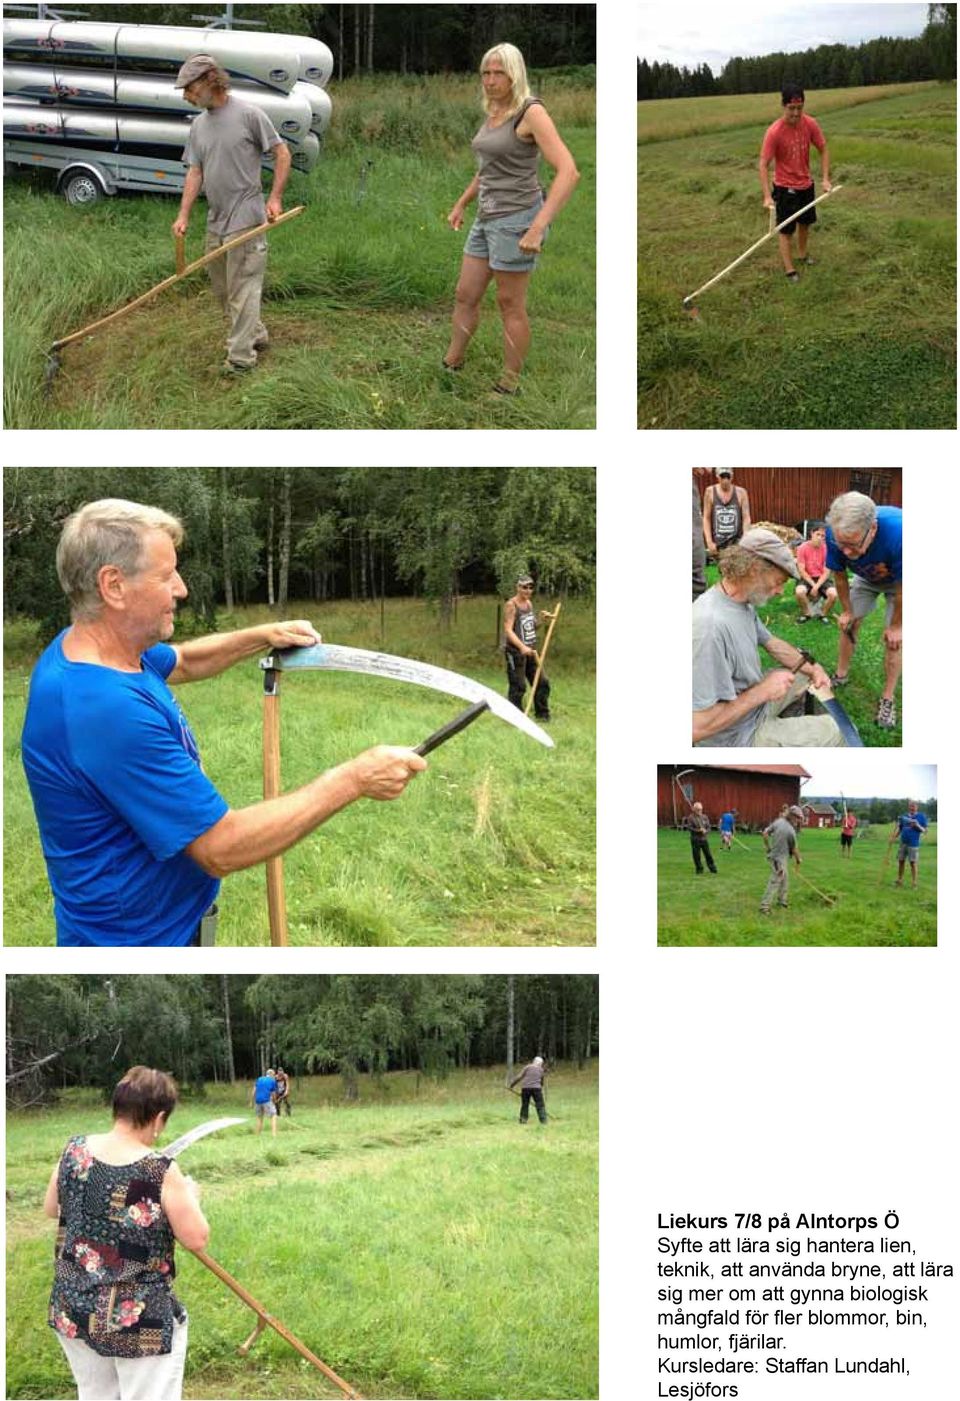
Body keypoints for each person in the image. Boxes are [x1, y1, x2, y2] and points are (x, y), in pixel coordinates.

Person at [21, 500, 427, 946]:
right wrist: (354, 778)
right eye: (166, 575)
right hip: (139, 946)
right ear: (113, 586)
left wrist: (261, 636)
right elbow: (221, 847)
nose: (182, 588)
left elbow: (186, 660)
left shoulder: (98, 652)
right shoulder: (103, 710)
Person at [44, 1066, 209, 1401]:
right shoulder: (159, 1170)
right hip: (135, 1317)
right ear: (159, 1118)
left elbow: (52, 1207)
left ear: (117, 1108)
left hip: (73, 1303)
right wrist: (190, 1196)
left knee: (96, 1394)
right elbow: (196, 1238)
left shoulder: (73, 1152)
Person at [444, 42, 579, 395]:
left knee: (509, 303)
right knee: (465, 293)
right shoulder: (494, 112)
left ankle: (509, 382)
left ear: (514, 73)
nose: (489, 80)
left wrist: (538, 227)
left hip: (517, 219)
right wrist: (462, 203)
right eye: (485, 73)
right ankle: (452, 362)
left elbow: (568, 172)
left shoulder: (530, 112)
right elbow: (488, 169)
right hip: (486, 217)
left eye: (498, 73)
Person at [171, 55, 292, 374]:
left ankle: (240, 360)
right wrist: (184, 215)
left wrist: (276, 198)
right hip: (216, 221)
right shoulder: (198, 126)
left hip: (247, 219)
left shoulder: (249, 115)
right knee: (224, 291)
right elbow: (194, 172)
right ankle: (255, 334)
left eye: (189, 88)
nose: (186, 95)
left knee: (243, 289)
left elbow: (281, 153)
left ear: (210, 80)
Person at [692, 527, 844, 747]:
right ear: (754, 569)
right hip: (737, 736)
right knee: (837, 731)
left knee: (804, 676)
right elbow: (697, 727)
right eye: (779, 581)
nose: (781, 591)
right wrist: (763, 691)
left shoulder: (740, 602)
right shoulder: (709, 627)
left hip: (752, 707)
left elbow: (771, 643)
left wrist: (814, 668)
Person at [825, 492, 902, 730]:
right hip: (866, 578)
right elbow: (840, 577)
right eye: (841, 544)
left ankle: (887, 698)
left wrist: (897, 627)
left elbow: (904, 591)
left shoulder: (902, 534)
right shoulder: (834, 531)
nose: (846, 552)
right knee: (849, 624)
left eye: (853, 544)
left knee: (895, 641)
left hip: (900, 583)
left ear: (873, 529)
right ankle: (841, 673)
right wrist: (848, 612)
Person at [759, 83, 831, 281]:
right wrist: (767, 196)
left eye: (800, 108)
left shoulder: (810, 124)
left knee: (805, 223)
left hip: (806, 184)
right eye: (791, 108)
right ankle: (789, 269)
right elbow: (763, 164)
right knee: (786, 230)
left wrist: (825, 179)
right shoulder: (774, 132)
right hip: (785, 188)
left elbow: (824, 149)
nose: (796, 113)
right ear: (783, 106)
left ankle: (802, 255)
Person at [503, 574, 550, 719]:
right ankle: (515, 718)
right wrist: (522, 647)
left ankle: (542, 715)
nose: (528, 590)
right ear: (518, 587)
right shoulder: (511, 605)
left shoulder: (528, 604)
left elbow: (530, 627)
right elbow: (508, 630)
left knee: (542, 682)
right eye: (524, 587)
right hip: (515, 651)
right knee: (518, 686)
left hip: (531, 650)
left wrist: (541, 620)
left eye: (530, 587)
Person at [760, 804, 804, 913]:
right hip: (778, 860)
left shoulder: (778, 821)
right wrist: (798, 859)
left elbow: (765, 833)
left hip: (778, 857)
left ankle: (782, 901)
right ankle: (764, 907)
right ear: (792, 816)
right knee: (775, 881)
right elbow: (794, 849)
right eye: (798, 818)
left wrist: (767, 847)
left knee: (785, 879)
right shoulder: (790, 831)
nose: (798, 821)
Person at [794, 522, 837, 624]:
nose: (820, 538)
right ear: (812, 533)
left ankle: (823, 614)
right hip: (807, 577)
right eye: (818, 534)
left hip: (822, 578)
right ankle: (807, 614)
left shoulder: (827, 549)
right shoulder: (802, 548)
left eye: (823, 536)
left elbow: (827, 572)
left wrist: (816, 587)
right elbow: (801, 570)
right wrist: (813, 585)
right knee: (799, 591)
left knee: (833, 594)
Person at [702, 470, 751, 555]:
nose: (726, 480)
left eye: (728, 477)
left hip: (736, 542)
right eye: (723, 477)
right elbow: (706, 518)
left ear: (732, 476)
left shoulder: (741, 492)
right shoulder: (710, 491)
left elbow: (746, 517)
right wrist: (709, 542)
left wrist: (746, 538)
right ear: (717, 477)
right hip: (718, 543)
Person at [893, 801, 928, 889]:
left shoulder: (921, 816)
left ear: (917, 807)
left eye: (913, 806)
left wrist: (916, 825)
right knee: (901, 861)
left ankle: (914, 883)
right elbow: (900, 828)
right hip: (903, 842)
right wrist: (894, 837)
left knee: (913, 863)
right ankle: (899, 880)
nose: (912, 808)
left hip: (913, 843)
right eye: (910, 806)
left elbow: (925, 831)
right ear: (908, 807)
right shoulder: (904, 816)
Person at [509, 1055, 548, 1124]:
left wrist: (512, 1085)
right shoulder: (541, 1070)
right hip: (537, 1089)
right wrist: (540, 1086)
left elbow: (519, 1077)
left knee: (525, 1104)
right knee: (540, 1105)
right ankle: (543, 1120)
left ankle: (523, 1120)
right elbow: (542, 1082)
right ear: (540, 1063)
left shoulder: (527, 1067)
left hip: (525, 1088)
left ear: (534, 1061)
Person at [684, 802, 718, 875]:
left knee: (708, 854)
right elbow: (689, 828)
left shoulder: (704, 817)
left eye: (701, 809)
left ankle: (712, 868)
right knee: (697, 855)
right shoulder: (691, 818)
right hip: (695, 839)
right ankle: (699, 869)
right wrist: (698, 830)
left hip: (704, 839)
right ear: (694, 809)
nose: (700, 811)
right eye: (698, 810)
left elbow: (709, 827)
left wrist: (706, 831)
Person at [252, 1069, 279, 1136]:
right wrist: (275, 1101)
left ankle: (258, 1134)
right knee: (273, 1115)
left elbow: (254, 1091)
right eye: (274, 1075)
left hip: (258, 1101)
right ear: (272, 1075)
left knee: (259, 1117)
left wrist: (252, 1101)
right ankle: (274, 1134)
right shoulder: (272, 1081)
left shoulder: (259, 1079)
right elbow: (273, 1093)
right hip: (266, 1100)